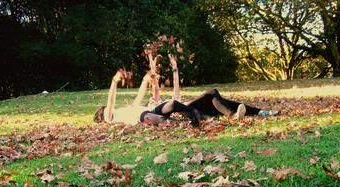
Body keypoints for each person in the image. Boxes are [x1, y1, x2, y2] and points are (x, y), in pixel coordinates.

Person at [94, 55, 278, 126]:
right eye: (104, 111)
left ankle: (256, 112)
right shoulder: (111, 117)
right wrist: (113, 82)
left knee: (182, 101)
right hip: (147, 116)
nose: (108, 109)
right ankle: (197, 120)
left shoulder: (128, 109)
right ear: (102, 117)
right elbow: (110, 103)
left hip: (151, 111)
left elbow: (143, 95)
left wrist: (145, 79)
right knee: (161, 112)